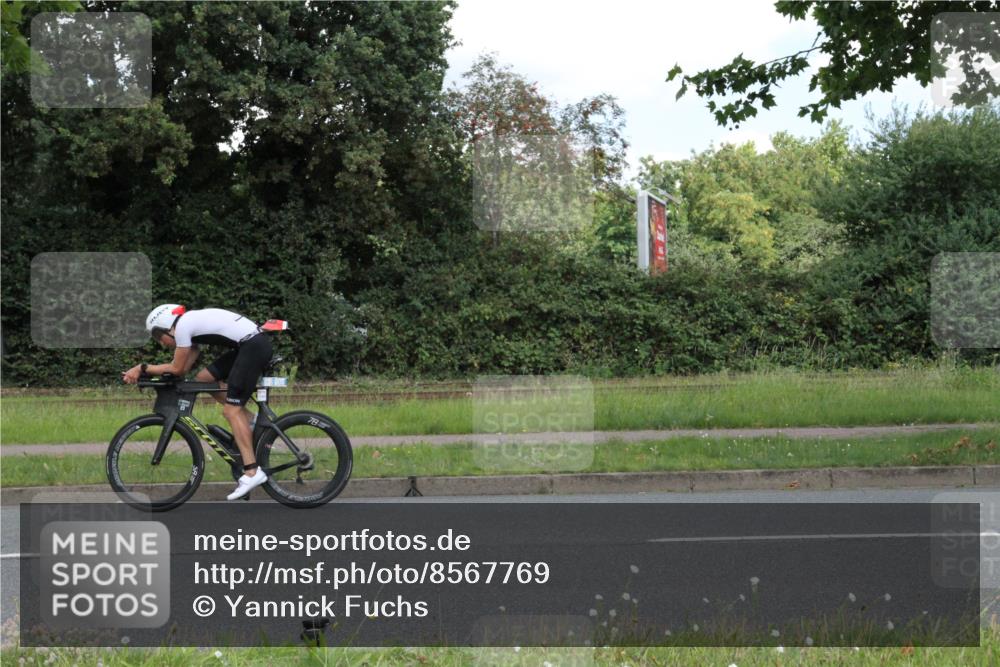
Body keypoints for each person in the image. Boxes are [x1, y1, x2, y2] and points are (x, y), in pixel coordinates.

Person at [122, 304, 273, 500]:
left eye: (158, 337)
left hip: (252, 346)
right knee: (204, 379)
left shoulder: (183, 326)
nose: (161, 343)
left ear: (167, 327)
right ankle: (250, 422)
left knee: (231, 411)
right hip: (250, 344)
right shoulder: (189, 328)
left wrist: (142, 367)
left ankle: (252, 472)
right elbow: (183, 370)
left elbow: (176, 368)